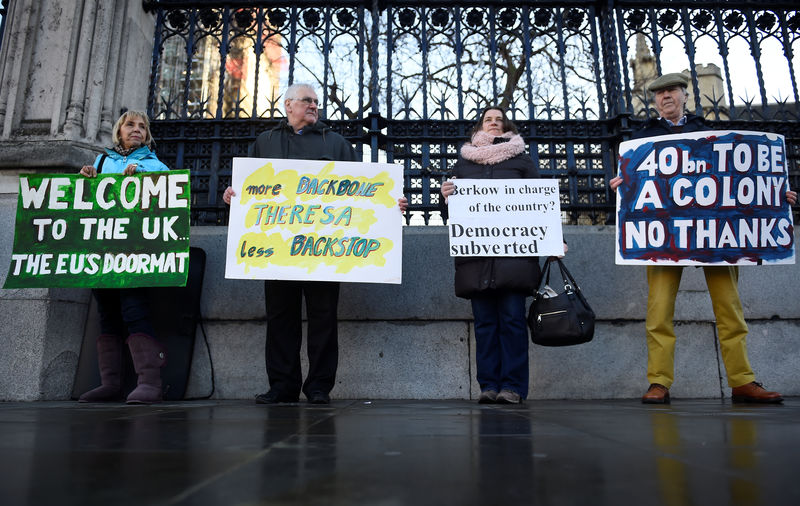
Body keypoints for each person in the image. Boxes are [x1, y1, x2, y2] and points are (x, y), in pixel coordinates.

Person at [610, 73, 797, 404]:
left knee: (729, 307)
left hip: (717, 235)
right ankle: (659, 381)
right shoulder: (643, 139)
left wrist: (775, 194)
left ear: (684, 95)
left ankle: (742, 380)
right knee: (659, 310)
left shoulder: (712, 133)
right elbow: (635, 183)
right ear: (654, 101)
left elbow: (742, 177)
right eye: (659, 93)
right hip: (665, 237)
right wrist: (621, 185)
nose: (665, 96)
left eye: (671, 91)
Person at [223, 83, 408, 405]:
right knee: (281, 319)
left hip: (325, 251)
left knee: (323, 318)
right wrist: (233, 196)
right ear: (288, 105)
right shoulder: (265, 142)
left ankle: (319, 387)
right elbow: (248, 188)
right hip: (276, 250)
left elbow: (363, 192)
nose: (313, 107)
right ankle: (282, 386)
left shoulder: (336, 143)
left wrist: (390, 202)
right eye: (307, 101)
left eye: (316, 103)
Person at [441, 106, 566, 404]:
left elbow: (541, 206)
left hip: (515, 260)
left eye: (499, 120)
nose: (494, 123)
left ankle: (512, 387)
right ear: (480, 127)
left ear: (506, 126)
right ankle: (488, 385)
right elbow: (451, 214)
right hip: (476, 260)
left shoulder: (522, 161)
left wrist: (553, 242)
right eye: (488, 120)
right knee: (484, 324)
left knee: (511, 321)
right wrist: (445, 197)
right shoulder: (463, 164)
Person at [78, 110, 170, 404]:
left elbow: (171, 189)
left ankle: (149, 382)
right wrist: (87, 179)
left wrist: (142, 175)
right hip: (103, 252)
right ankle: (111, 383)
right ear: (119, 131)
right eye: (130, 125)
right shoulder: (102, 162)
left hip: (136, 252)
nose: (137, 130)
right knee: (107, 313)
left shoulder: (153, 162)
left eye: (142, 126)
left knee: (134, 310)